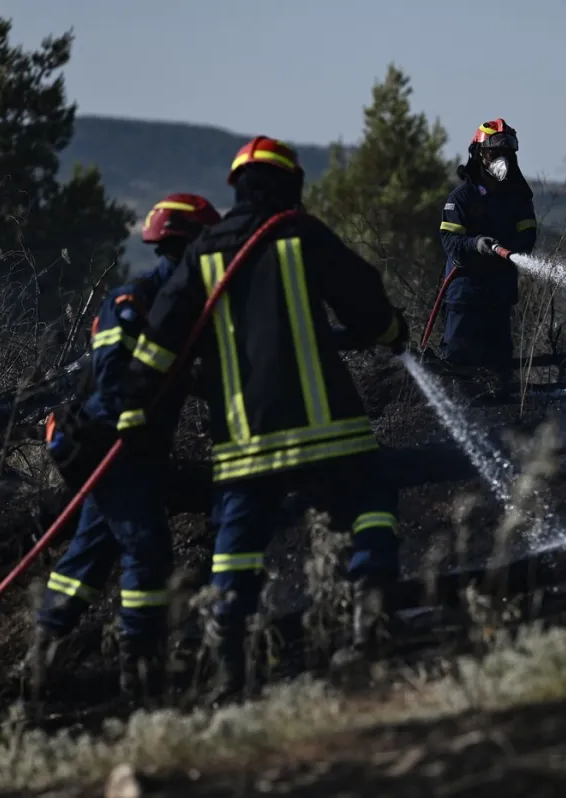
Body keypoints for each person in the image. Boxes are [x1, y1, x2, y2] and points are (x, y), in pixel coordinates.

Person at [115, 136, 409, 704]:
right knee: (371, 503)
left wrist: (132, 408)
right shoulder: (303, 234)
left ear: (238, 188)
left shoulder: (205, 252)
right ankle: (370, 622)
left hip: (246, 440)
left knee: (237, 543)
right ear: (291, 185)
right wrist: (393, 333)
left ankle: (230, 666)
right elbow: (364, 300)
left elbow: (161, 339)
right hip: (329, 429)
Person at [33, 193, 222, 705]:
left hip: (136, 447)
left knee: (92, 550)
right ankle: (138, 671)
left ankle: (40, 657)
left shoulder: (185, 305)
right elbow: (113, 369)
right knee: (146, 547)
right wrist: (130, 417)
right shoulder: (132, 300)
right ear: (185, 246)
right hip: (109, 444)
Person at [437, 118, 537, 378]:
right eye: (494, 152)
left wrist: (508, 248)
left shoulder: (517, 199)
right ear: (479, 154)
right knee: (458, 374)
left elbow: (528, 236)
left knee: (499, 374)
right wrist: (477, 244)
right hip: (465, 299)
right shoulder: (461, 198)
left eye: (507, 152)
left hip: (499, 299)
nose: (501, 159)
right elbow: (451, 242)